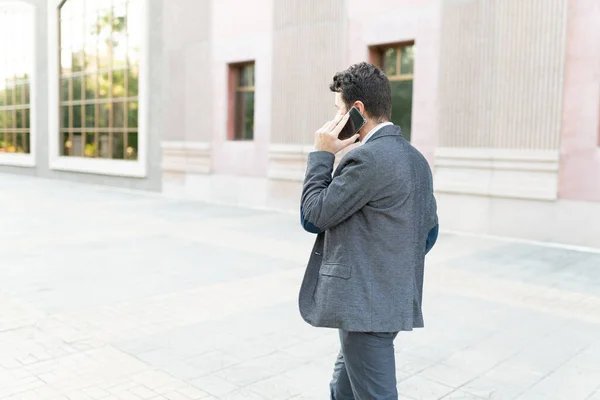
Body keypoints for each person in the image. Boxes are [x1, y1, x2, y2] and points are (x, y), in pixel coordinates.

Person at [298, 62, 439, 400]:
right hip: (388, 302)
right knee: (343, 389)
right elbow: (428, 233)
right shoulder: (416, 159)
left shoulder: (367, 159)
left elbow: (313, 215)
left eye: (338, 110)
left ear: (357, 110)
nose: (334, 121)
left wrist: (321, 155)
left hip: (365, 308)